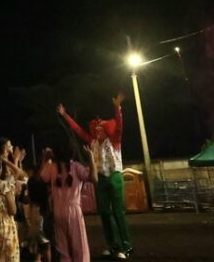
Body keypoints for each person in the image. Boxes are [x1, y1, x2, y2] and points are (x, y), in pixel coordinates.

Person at [57, 94, 131, 259]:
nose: (98, 131)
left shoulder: (115, 140)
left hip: (115, 176)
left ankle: (126, 246)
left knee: (118, 212)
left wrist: (117, 108)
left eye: (100, 128)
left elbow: (120, 126)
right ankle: (112, 245)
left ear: (106, 129)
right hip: (101, 178)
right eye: (96, 129)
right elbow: (78, 130)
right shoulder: (92, 142)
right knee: (104, 212)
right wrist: (65, 115)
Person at [40, 145, 96, 262]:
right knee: (80, 248)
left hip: (58, 211)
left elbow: (42, 177)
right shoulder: (75, 167)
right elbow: (94, 178)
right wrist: (91, 157)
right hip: (74, 211)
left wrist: (45, 157)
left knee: (63, 250)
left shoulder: (51, 166)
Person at [19, 166, 51, 262]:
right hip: (41, 232)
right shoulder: (43, 204)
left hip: (35, 232)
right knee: (45, 250)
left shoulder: (32, 205)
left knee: (39, 252)